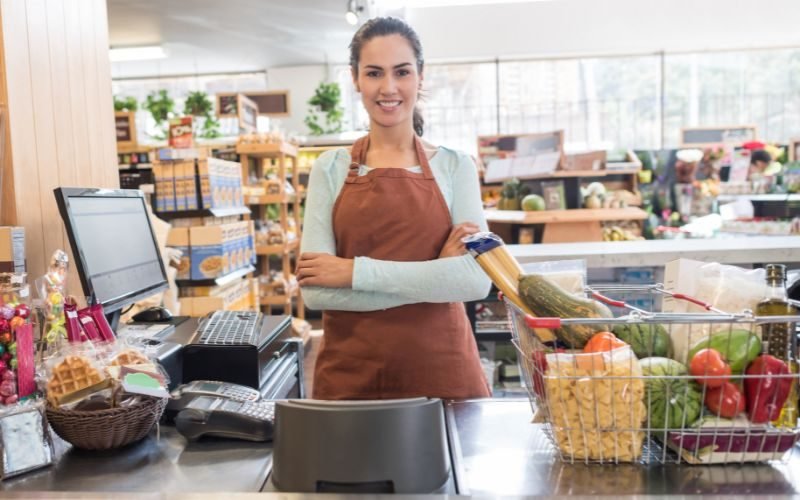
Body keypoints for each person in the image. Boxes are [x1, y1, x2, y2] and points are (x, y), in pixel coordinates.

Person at [296, 17, 492, 400]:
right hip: (353, 376)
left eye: (401, 71)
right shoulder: (330, 168)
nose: (388, 88)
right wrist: (436, 276)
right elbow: (317, 293)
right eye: (374, 73)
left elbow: (474, 282)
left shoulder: (456, 166)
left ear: (420, 75)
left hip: (442, 371)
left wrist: (353, 271)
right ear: (355, 79)